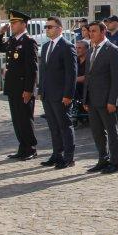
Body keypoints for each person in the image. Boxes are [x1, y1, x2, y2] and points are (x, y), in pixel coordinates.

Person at [0, 11, 40, 160]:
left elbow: (31, 68)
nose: (12, 25)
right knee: (17, 120)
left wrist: (28, 89)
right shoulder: (13, 40)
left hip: (23, 87)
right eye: (11, 23)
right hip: (13, 86)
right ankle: (22, 147)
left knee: (25, 119)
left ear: (23, 24)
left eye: (15, 23)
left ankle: (30, 148)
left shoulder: (28, 41)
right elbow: (0, 48)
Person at [83, 22, 118, 174]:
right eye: (89, 31)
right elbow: (88, 76)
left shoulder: (113, 50)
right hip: (92, 99)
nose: (91, 34)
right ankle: (103, 159)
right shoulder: (90, 50)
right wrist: (85, 98)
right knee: (97, 132)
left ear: (103, 32)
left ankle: (115, 162)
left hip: (106, 99)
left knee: (111, 131)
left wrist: (113, 100)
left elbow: (117, 78)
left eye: (94, 31)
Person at [37, 16, 78, 169]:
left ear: (59, 29)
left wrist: (68, 94)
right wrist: (41, 90)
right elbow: (43, 71)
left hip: (61, 94)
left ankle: (69, 157)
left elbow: (71, 73)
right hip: (48, 94)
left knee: (64, 126)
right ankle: (56, 154)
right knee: (53, 126)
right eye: (46, 27)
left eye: (50, 26)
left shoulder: (67, 46)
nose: (47, 29)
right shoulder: (46, 46)